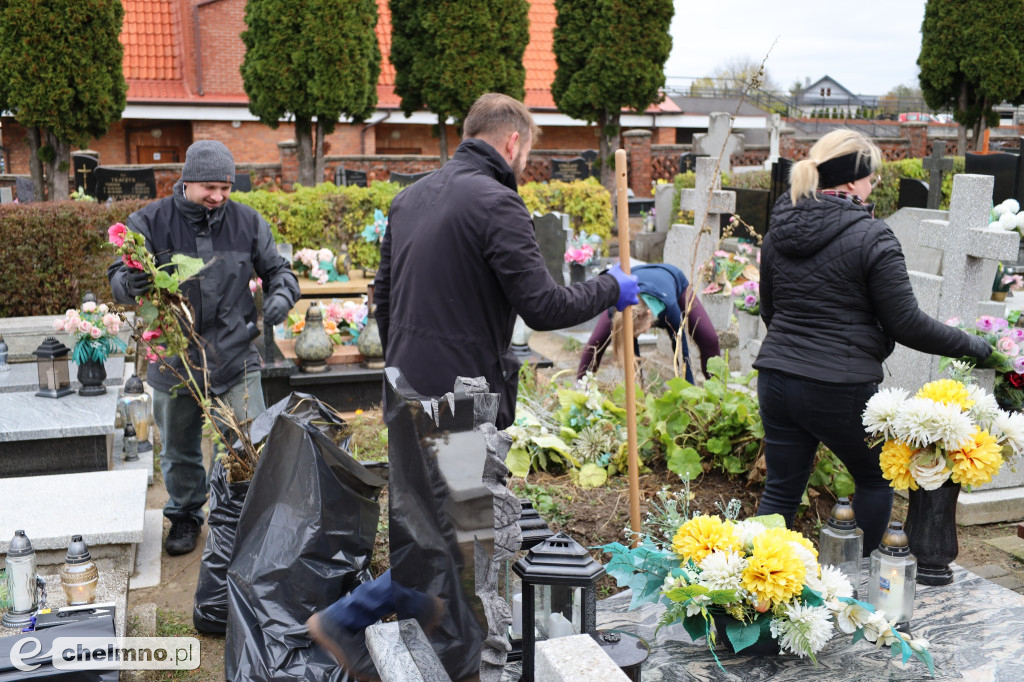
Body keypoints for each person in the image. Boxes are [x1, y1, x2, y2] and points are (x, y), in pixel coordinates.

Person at [306, 92, 640, 680]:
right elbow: (540, 306)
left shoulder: (409, 198)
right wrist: (612, 289)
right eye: (527, 153)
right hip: (458, 404)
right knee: (471, 550)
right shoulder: (496, 201)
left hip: (404, 388)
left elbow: (383, 295)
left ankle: (347, 620)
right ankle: (454, 665)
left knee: (422, 531)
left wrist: (409, 366)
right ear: (513, 142)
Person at [752, 128, 995, 554]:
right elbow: (906, 323)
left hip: (775, 379)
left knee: (781, 492)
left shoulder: (777, 232)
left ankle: (754, 590)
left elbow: (770, 312)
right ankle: (854, 581)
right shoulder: (872, 235)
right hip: (840, 386)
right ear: (851, 181)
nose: (871, 187)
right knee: (874, 477)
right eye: (872, 179)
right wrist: (976, 347)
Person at [108, 140, 299, 556]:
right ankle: (185, 516)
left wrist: (282, 295)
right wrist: (129, 285)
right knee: (178, 447)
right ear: (188, 181)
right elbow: (118, 277)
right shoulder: (149, 222)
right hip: (174, 358)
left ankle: (244, 514)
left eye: (226, 188)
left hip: (235, 354)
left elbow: (278, 270)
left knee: (249, 443)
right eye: (210, 187)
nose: (218, 196)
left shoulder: (247, 222)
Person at [576, 262, 721, 383]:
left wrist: (688, 393)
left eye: (640, 332)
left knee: (709, 339)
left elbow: (682, 353)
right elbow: (594, 348)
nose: (640, 335)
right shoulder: (615, 307)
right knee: (596, 341)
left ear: (649, 316)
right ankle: (583, 390)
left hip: (671, 278)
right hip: (633, 279)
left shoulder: (669, 307)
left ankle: (718, 396)